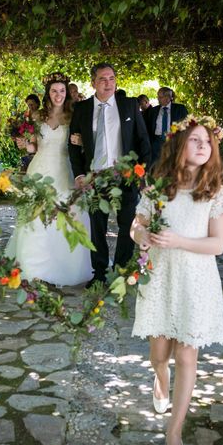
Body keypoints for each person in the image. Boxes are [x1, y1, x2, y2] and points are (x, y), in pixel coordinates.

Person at [130, 116, 223, 445]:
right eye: (194, 140)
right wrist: (141, 236)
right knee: (160, 356)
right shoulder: (158, 185)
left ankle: (174, 431)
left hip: (196, 281)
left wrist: (179, 240)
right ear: (178, 145)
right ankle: (160, 379)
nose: (203, 145)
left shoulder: (214, 190)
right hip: (160, 278)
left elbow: (217, 245)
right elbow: (137, 225)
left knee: (187, 355)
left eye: (207, 141)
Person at [68, 62, 151, 288]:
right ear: (93, 82)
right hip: (95, 177)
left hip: (125, 175)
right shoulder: (83, 109)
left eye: (112, 78)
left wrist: (142, 174)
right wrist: (78, 175)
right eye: (103, 79)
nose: (108, 83)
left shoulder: (129, 105)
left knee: (127, 226)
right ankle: (99, 272)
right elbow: (73, 145)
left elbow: (143, 141)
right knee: (98, 228)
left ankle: (121, 272)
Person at [7, 72, 93, 286]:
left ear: (67, 92)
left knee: (65, 215)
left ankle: (64, 266)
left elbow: (86, 144)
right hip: (39, 169)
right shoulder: (37, 117)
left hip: (65, 170)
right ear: (48, 93)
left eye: (62, 90)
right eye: (54, 90)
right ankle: (34, 268)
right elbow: (34, 146)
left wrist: (81, 142)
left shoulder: (74, 115)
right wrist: (24, 145)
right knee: (35, 217)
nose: (58, 94)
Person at [146, 87, 189, 164]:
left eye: (160, 97)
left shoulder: (180, 109)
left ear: (168, 97)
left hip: (174, 142)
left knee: (173, 165)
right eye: (158, 96)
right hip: (156, 143)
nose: (158, 99)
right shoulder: (153, 111)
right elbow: (148, 128)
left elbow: (186, 125)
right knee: (155, 166)